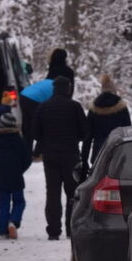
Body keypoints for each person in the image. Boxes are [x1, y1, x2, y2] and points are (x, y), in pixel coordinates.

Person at [32, 77, 88, 240]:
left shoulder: (43, 107)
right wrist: (74, 138)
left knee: (52, 193)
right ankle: (71, 229)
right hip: (71, 154)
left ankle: (53, 231)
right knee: (72, 193)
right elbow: (85, 131)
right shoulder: (75, 107)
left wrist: (46, 140)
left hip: (50, 155)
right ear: (68, 88)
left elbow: (35, 132)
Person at [0, 112, 32, 239]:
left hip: (1, 176)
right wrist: (20, 169)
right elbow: (27, 158)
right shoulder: (19, 140)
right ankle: (13, 221)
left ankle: (2, 231)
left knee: (3, 203)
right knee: (19, 201)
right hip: (16, 175)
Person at [82, 74, 132, 163]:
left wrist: (84, 159)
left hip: (98, 152)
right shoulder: (121, 107)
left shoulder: (94, 108)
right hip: (117, 151)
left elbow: (88, 136)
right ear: (113, 90)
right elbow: (128, 131)